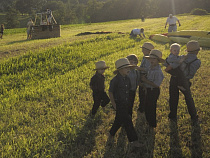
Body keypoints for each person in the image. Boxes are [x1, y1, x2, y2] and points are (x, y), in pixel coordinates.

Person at [109, 58, 142, 147]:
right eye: (126, 68)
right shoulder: (115, 81)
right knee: (128, 121)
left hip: (126, 103)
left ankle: (111, 133)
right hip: (119, 104)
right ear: (119, 70)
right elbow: (111, 93)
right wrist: (114, 104)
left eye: (129, 68)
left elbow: (129, 91)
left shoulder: (127, 79)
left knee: (119, 120)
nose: (128, 70)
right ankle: (134, 141)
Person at [168, 40, 201, 124]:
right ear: (197, 51)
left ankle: (172, 116)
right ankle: (194, 117)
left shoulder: (180, 57)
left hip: (174, 79)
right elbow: (190, 74)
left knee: (173, 97)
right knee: (188, 98)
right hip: (184, 81)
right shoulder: (197, 62)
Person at [142, 49, 164, 128]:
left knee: (151, 107)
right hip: (148, 89)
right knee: (147, 106)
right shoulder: (150, 67)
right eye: (150, 58)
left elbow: (156, 85)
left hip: (153, 90)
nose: (151, 60)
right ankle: (148, 121)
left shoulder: (158, 71)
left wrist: (145, 81)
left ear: (158, 60)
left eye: (154, 59)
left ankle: (152, 124)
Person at [138, 42, 154, 113]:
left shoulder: (148, 59)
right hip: (143, 77)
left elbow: (147, 69)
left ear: (148, 51)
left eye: (144, 49)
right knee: (141, 93)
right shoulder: (145, 57)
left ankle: (143, 108)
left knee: (143, 93)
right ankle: (142, 106)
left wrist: (138, 68)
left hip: (145, 77)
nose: (142, 51)